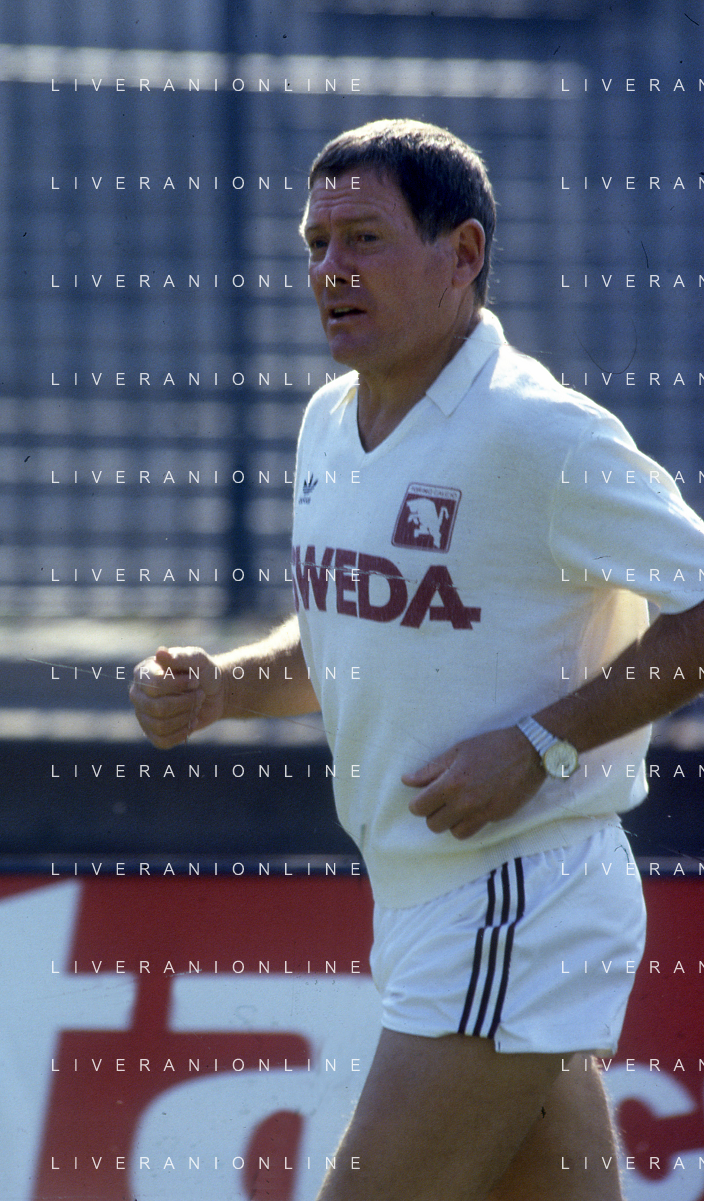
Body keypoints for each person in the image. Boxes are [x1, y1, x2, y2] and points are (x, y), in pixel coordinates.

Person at [130, 119, 704, 1200]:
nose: (329, 270)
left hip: (515, 893)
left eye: (364, 238)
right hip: (425, 897)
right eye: (315, 243)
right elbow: (350, 637)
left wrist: (537, 744)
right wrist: (220, 688)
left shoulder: (537, 431)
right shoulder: (326, 421)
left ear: (462, 254)